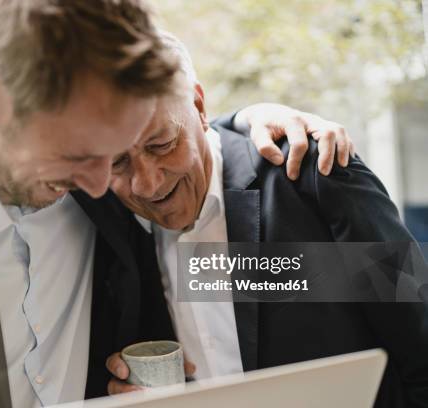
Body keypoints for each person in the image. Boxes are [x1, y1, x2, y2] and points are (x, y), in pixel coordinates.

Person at [0, 2, 354, 407]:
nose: (109, 184)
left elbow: (381, 294)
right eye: (81, 155)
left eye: (115, 154)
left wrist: (241, 126)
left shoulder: (124, 195)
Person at [103, 33, 428, 407]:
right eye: (117, 162)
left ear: (198, 105)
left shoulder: (315, 175)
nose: (146, 184)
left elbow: (420, 347)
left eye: (162, 144)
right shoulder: (111, 226)